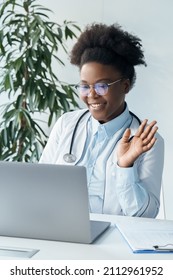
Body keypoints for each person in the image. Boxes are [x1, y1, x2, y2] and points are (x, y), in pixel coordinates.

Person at [39, 23, 164, 218]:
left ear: (125, 86)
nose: (91, 95)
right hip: (62, 234)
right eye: (84, 86)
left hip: (115, 242)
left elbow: (146, 216)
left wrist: (125, 166)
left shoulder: (147, 141)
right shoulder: (66, 124)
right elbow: (40, 185)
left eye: (101, 86)